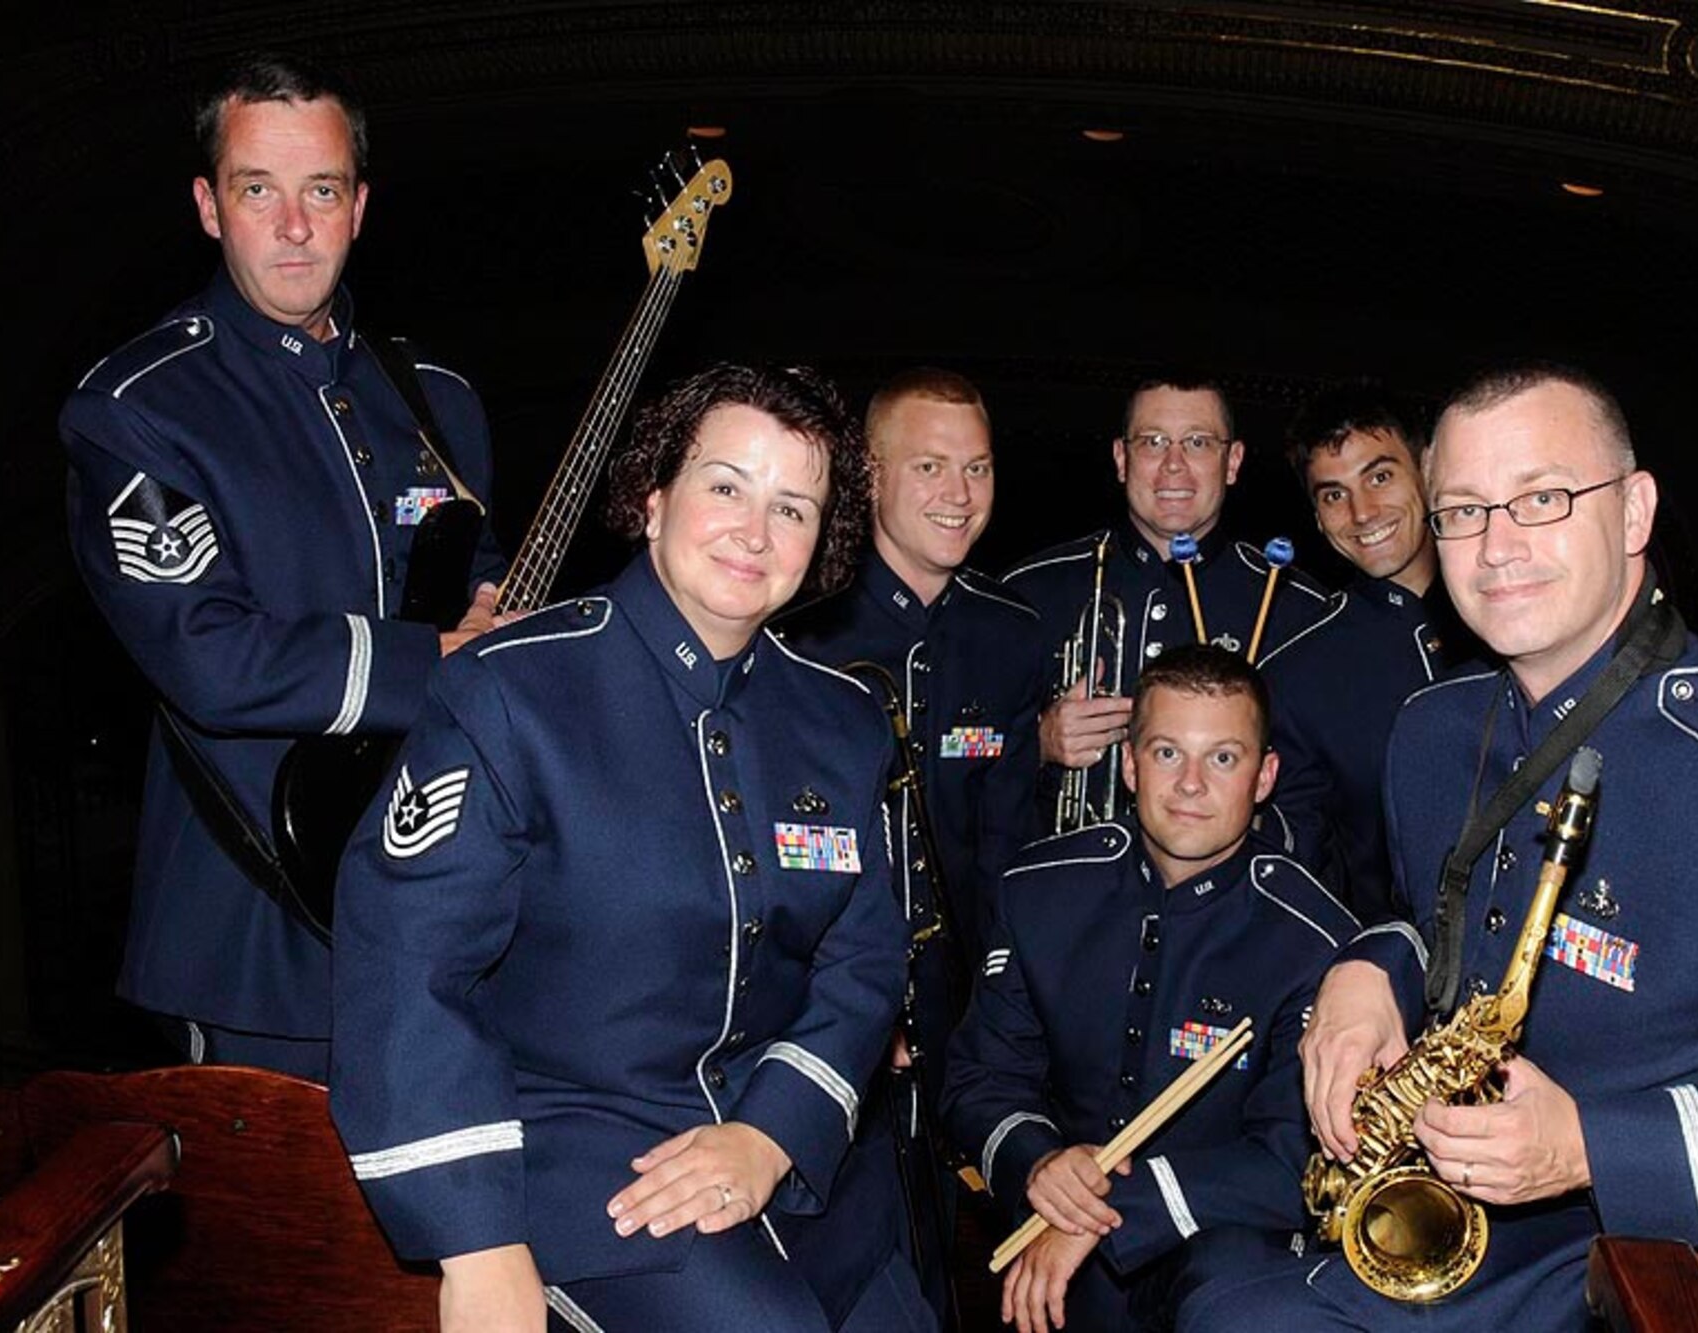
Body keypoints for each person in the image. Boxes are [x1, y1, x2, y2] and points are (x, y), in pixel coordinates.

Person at [1181, 364, 1698, 1332]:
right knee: (1209, 1282)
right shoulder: (1430, 730)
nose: (1496, 546)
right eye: (1464, 510)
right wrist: (1371, 966)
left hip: (1637, 1253)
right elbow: (1442, 920)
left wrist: (1593, 1146)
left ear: (1633, 512)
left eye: (1541, 499)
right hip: (1452, 1195)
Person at [331, 363, 909, 1333]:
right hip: (576, 1160)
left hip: (792, 1160)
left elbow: (865, 958)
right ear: (652, 498)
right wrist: (477, 1248)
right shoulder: (509, 693)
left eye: (792, 508)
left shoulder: (843, 721)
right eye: (725, 485)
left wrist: (772, 1132)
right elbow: (403, 968)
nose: (753, 532)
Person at [60, 53, 506, 1080]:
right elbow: (211, 661)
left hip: (453, 903)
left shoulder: (437, 395)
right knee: (291, 1241)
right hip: (264, 938)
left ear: (359, 205)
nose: (294, 226)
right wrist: (437, 659)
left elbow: (480, 579)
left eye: (322, 191)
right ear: (210, 208)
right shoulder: (140, 407)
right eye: (260, 190)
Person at [943, 645, 1355, 1333]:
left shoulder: (1317, 941)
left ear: (1264, 776)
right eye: (1167, 752)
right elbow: (981, 1079)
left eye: (1223, 757)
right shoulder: (1039, 888)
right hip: (1047, 1238)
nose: (1191, 783)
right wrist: (1038, 1161)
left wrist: (1110, 1210)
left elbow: (1295, 1162)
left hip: (1230, 1264)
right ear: (1130, 766)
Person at [777, 368, 1049, 1330]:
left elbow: (1013, 842)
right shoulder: (797, 625)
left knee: (954, 1249)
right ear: (870, 473)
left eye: (976, 467)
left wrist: (1006, 1002)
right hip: (818, 996)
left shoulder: (1011, 634)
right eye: (930, 465)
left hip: (959, 997)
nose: (959, 493)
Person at [1003, 376, 1328, 842]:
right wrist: (1037, 745)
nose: (1173, 466)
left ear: (1232, 461)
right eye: (1153, 442)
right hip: (1062, 900)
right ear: (1121, 458)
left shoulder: (1298, 610)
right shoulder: (1029, 593)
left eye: (1197, 443)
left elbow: (1318, 804)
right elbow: (960, 773)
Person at [1258, 383, 1480, 922]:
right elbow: (1302, 868)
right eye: (1333, 494)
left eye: (1380, 476)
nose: (1362, 512)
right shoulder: (1296, 672)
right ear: (1316, 517)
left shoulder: (1515, 610)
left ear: (1427, 472)